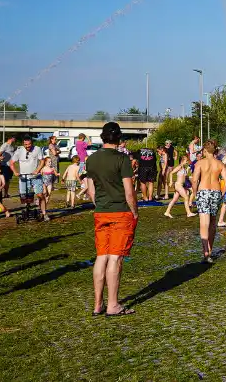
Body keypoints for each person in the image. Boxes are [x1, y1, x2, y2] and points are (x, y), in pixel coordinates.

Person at [86, 122, 137, 316]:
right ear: (119, 138)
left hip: (101, 211)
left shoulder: (91, 160)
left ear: (103, 137)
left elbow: (91, 190)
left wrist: (99, 203)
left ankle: (98, 303)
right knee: (115, 257)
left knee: (101, 256)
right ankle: (113, 305)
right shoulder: (122, 159)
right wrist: (134, 211)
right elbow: (129, 191)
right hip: (120, 211)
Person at [191, 140, 226, 263]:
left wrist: (196, 193)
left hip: (203, 192)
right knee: (212, 222)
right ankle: (210, 250)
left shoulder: (200, 163)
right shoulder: (220, 164)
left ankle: (206, 251)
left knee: (204, 223)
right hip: (216, 192)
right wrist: (221, 194)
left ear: (205, 150)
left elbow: (195, 180)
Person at [12, 137, 47, 221]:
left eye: (29, 144)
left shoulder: (37, 149)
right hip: (24, 177)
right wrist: (15, 172)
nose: (27, 146)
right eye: (25, 144)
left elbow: (42, 161)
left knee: (40, 195)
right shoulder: (19, 150)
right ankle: (27, 212)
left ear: (32, 143)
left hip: (35, 176)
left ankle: (44, 213)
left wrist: (37, 170)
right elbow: (11, 162)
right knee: (25, 197)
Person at [163, 147, 196, 219]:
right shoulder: (180, 167)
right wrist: (171, 181)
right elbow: (171, 173)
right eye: (186, 161)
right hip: (178, 185)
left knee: (174, 199)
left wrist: (188, 184)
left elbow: (185, 178)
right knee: (186, 197)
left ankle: (167, 212)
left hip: (180, 185)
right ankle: (188, 213)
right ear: (182, 161)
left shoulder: (184, 168)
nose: (187, 162)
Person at [42, 136, 60, 208]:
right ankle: (50, 186)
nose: (56, 140)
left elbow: (58, 151)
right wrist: (58, 151)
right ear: (51, 139)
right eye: (55, 139)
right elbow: (55, 153)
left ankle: (52, 186)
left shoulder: (55, 145)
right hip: (53, 161)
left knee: (54, 173)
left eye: (56, 139)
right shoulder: (51, 145)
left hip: (56, 160)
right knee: (51, 173)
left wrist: (58, 151)